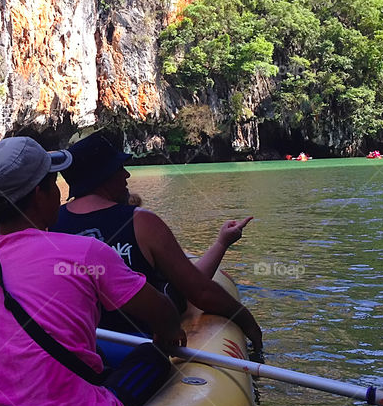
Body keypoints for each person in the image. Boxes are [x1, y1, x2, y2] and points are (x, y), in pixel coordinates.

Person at [0, 136, 186, 406]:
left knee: (94, 351)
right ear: (39, 194)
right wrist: (168, 333)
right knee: (152, 358)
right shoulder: (87, 252)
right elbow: (165, 316)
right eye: (55, 184)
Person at [52, 132, 263, 351]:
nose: (126, 175)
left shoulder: (50, 222)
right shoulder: (141, 221)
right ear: (103, 176)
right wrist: (248, 322)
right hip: (135, 349)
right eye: (118, 168)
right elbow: (200, 291)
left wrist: (221, 243)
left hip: (73, 346)